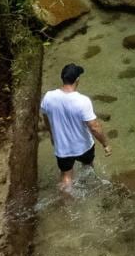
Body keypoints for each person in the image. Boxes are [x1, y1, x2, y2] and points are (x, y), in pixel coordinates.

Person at [40, 63, 111, 191]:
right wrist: (105, 144)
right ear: (77, 80)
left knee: (66, 176)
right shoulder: (82, 101)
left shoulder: (48, 97)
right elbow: (94, 127)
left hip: (62, 148)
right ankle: (89, 189)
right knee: (88, 167)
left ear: (62, 78)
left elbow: (46, 119)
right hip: (84, 146)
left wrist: (52, 136)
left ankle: (67, 204)